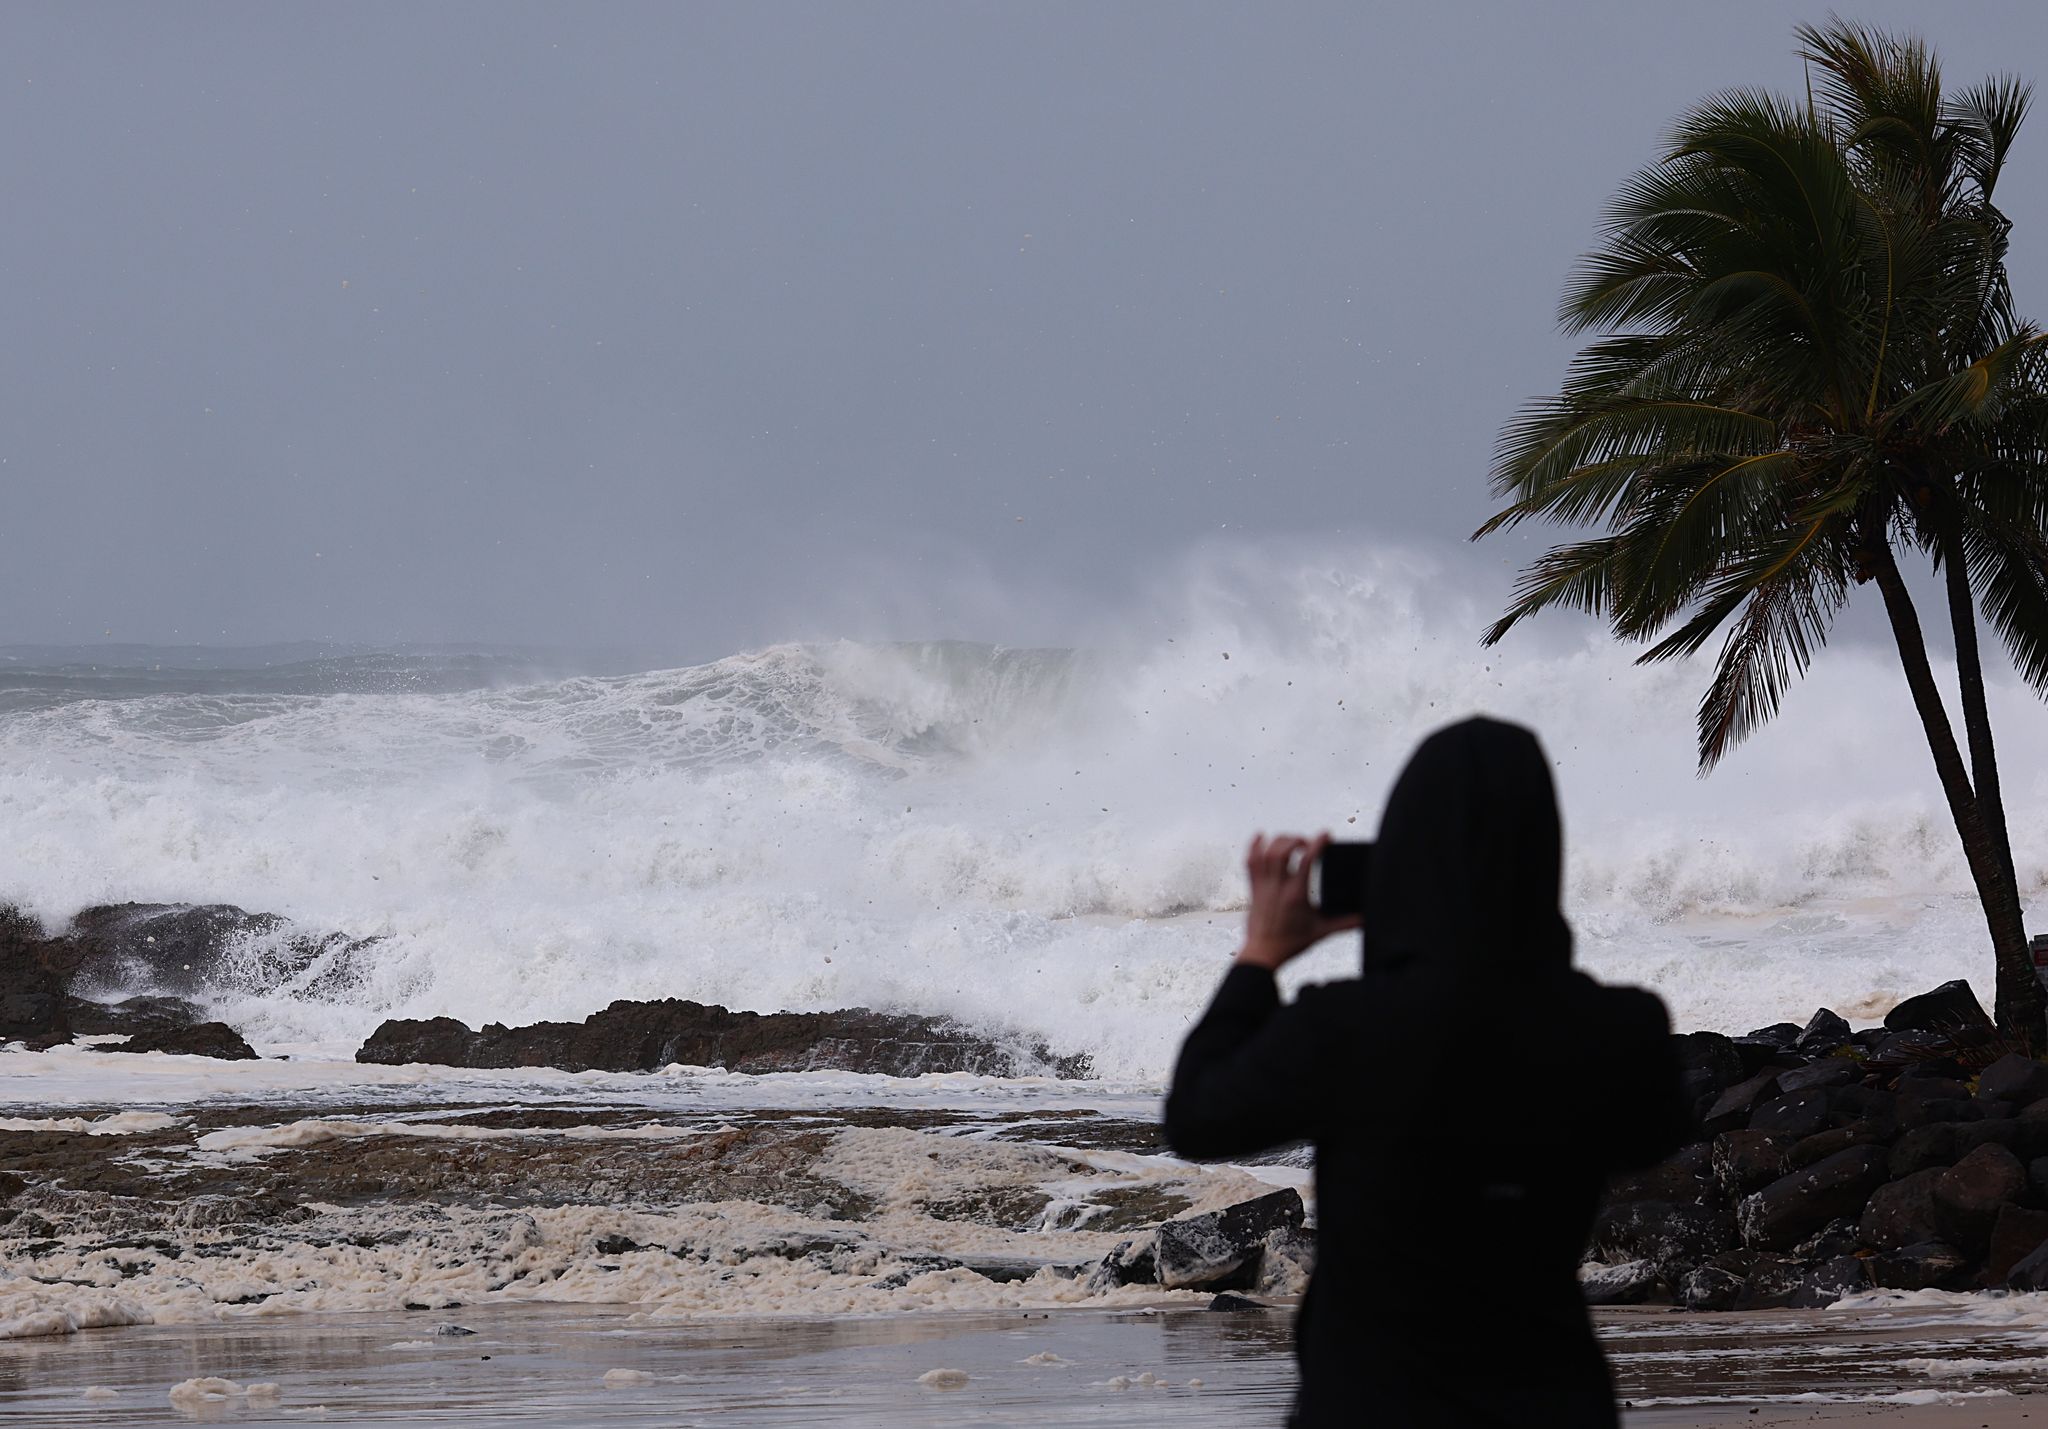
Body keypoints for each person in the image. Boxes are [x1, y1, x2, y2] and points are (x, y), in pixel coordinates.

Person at [1164, 717, 1690, 1427]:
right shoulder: (1615, 1029)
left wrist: (1261, 955)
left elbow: (1196, 1114)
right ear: (1541, 861)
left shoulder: (1344, 1027)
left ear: (1399, 862)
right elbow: (1659, 1128)